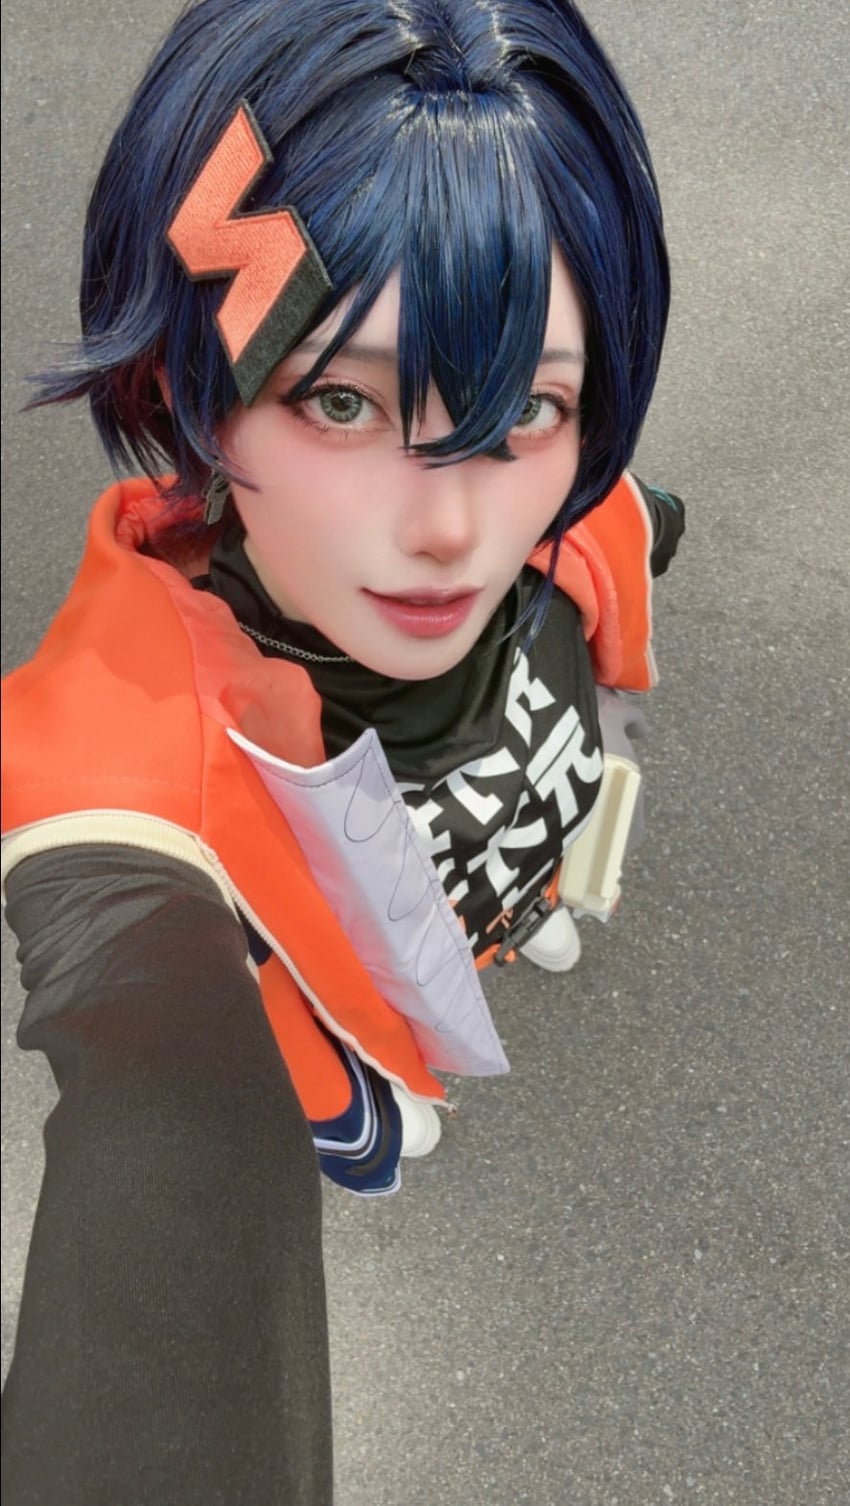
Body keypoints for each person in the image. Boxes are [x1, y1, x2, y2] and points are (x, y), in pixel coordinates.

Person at [1, 0, 683, 1500]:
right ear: (183, 386)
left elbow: (620, 578)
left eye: (525, 406)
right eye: (339, 398)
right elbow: (157, 1087)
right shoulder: (131, 756)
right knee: (396, 1060)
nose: (448, 527)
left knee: (513, 922)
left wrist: (592, 802)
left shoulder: (583, 522)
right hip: (361, 978)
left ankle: (516, 925)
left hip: (516, 854)